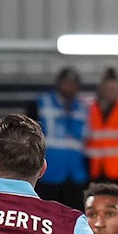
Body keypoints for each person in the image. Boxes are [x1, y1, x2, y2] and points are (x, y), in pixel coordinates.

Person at [28, 67, 89, 208]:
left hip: (76, 175)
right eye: (66, 82)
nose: (70, 86)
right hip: (48, 173)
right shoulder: (42, 104)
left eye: (73, 83)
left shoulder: (82, 108)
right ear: (58, 83)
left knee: (72, 218)